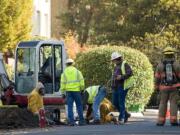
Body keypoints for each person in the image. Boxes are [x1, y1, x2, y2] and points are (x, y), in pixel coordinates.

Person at [155, 46, 180, 126]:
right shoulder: (177, 64)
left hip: (163, 88)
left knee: (162, 103)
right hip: (174, 87)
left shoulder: (160, 65)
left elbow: (157, 78)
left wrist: (156, 87)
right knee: (173, 103)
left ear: (164, 55)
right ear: (173, 54)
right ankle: (173, 121)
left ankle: (160, 121)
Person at [60, 58, 85, 126]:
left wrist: (62, 93)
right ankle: (81, 121)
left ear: (66, 64)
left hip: (68, 92)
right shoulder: (77, 71)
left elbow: (62, 83)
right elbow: (81, 81)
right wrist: (82, 89)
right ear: (73, 63)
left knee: (70, 107)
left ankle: (71, 122)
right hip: (76, 91)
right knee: (79, 106)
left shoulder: (64, 73)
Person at [111, 52, 133, 124]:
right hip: (116, 87)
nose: (113, 61)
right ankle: (126, 114)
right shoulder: (116, 66)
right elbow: (114, 77)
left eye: (113, 60)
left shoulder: (125, 64)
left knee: (121, 102)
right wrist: (112, 86)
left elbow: (130, 73)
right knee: (114, 102)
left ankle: (121, 118)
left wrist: (122, 77)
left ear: (117, 59)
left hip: (123, 86)